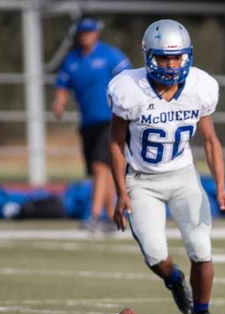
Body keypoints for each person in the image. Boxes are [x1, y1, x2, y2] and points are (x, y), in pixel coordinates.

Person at [107, 19, 225, 314]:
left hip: (183, 177)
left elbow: (210, 141)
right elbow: (114, 143)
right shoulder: (128, 88)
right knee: (155, 254)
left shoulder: (199, 87)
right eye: (164, 57)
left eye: (176, 57)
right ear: (149, 56)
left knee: (201, 247)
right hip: (142, 180)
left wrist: (220, 186)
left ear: (187, 56)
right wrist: (121, 192)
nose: (171, 64)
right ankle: (175, 279)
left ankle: (201, 313)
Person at [52, 15, 131, 233]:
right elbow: (62, 85)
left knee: (100, 166)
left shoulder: (110, 55)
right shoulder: (72, 60)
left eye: (90, 32)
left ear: (96, 33)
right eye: (82, 33)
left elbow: (130, 78)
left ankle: (94, 216)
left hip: (111, 120)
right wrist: (59, 103)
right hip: (88, 123)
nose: (86, 36)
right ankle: (111, 217)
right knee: (100, 170)